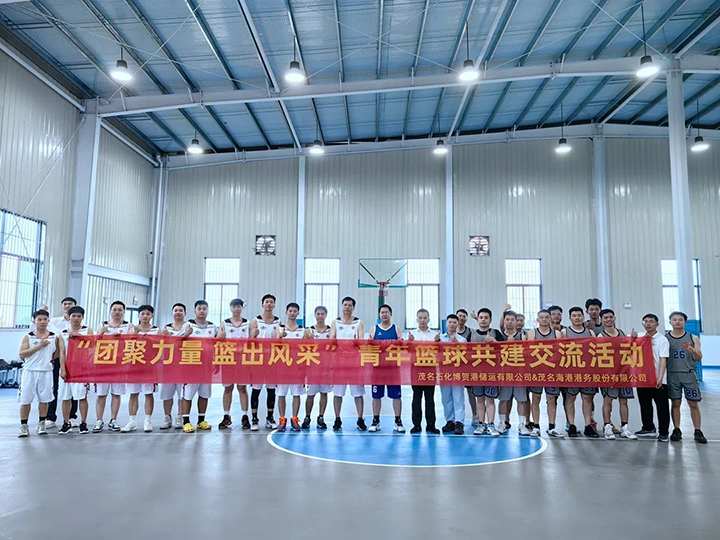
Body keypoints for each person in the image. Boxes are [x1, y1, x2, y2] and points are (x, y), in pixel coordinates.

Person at [18, 309, 61, 437]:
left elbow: (56, 353)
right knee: (25, 400)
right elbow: (22, 354)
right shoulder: (28, 336)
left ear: (48, 321)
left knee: (45, 399)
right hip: (30, 371)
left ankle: (42, 423)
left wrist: (48, 361)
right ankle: (24, 426)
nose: (42, 322)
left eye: (45, 319)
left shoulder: (54, 336)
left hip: (46, 372)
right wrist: (39, 346)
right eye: (39, 319)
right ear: (34, 321)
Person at [665, 311, 707, 444]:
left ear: (685, 322)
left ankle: (698, 430)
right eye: (674, 319)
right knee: (675, 403)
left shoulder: (693, 338)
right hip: (672, 374)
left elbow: (699, 358)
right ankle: (676, 429)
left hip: (689, 374)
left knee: (693, 403)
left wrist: (693, 351)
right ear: (670, 322)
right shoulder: (665, 338)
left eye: (680, 320)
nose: (677, 322)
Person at [598, 309, 637, 440]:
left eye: (611, 317)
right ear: (602, 320)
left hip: (624, 372)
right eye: (605, 318)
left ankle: (624, 427)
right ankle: (607, 426)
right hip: (609, 374)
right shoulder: (600, 337)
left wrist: (633, 339)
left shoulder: (622, 333)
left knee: (624, 400)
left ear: (615, 318)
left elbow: (629, 350)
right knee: (608, 400)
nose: (609, 320)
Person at [94, 301, 131, 433]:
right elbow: (94, 343)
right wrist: (102, 334)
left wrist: (121, 339)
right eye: (114, 309)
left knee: (116, 393)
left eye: (120, 310)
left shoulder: (128, 326)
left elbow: (132, 342)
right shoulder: (103, 325)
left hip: (119, 365)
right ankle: (99, 420)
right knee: (101, 394)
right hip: (103, 364)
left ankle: (113, 420)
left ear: (124, 312)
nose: (117, 312)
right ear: (110, 311)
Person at [330, 296, 366, 431]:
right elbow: (332, 339)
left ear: (353, 307)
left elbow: (361, 340)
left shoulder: (359, 322)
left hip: (354, 361)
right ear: (342, 306)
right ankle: (337, 419)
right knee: (338, 393)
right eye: (345, 305)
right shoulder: (335, 322)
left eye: (350, 305)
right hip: (340, 362)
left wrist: (355, 343)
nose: (347, 307)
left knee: (358, 393)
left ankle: (360, 419)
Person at [632, 314, 670, 441]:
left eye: (651, 321)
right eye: (646, 322)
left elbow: (663, 360)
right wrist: (632, 338)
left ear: (657, 324)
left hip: (658, 379)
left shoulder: (662, 340)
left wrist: (660, 378)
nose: (648, 324)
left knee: (662, 407)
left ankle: (663, 432)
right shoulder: (639, 337)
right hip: (643, 378)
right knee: (645, 405)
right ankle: (648, 427)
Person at [181, 300, 217, 433]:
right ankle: (186, 421)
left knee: (204, 394)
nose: (202, 311)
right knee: (188, 394)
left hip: (207, 367)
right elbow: (176, 342)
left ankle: (201, 420)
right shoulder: (188, 325)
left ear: (208, 311)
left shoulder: (213, 327)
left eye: (204, 309)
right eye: (199, 309)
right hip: (191, 366)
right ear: (194, 311)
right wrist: (185, 334)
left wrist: (216, 362)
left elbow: (216, 346)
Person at [526, 309, 563, 438]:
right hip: (536, 370)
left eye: (547, 317)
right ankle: (536, 426)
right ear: (538, 319)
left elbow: (559, 351)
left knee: (551, 399)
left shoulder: (557, 333)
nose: (544, 319)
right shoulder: (532, 332)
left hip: (552, 371)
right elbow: (529, 351)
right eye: (541, 317)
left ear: (550, 318)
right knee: (536, 398)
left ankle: (552, 426)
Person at [561, 306, 597, 438]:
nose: (577, 318)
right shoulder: (564, 332)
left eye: (579, 315)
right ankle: (571, 425)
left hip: (587, 371)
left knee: (587, 398)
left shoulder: (590, 333)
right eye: (574, 316)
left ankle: (588, 425)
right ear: (570, 318)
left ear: (583, 317)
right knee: (570, 398)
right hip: (571, 371)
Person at [368, 304, 405, 433]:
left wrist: (401, 342)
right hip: (378, 368)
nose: (384, 314)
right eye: (382, 312)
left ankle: (398, 421)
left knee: (396, 396)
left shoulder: (396, 329)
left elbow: (402, 346)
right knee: (376, 396)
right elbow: (369, 347)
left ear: (391, 314)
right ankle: (376, 421)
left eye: (386, 312)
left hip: (393, 368)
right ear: (379, 315)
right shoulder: (374, 329)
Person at [122, 305, 158, 433]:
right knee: (133, 393)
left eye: (148, 314)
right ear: (139, 315)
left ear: (151, 316)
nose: (145, 316)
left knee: (148, 393)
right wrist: (135, 333)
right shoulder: (132, 330)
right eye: (142, 314)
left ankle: (148, 421)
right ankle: (132, 421)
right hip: (134, 365)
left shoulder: (157, 330)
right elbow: (126, 345)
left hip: (149, 366)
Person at [58, 306, 92, 435]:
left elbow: (92, 345)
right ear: (69, 317)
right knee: (65, 397)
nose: (76, 318)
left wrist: (79, 336)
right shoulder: (63, 333)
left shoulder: (87, 330)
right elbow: (62, 352)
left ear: (82, 317)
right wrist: (62, 369)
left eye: (79, 316)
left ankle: (83, 423)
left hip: (82, 368)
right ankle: (66, 423)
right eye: (74, 316)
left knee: (82, 396)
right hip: (68, 368)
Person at [497, 310, 532, 436]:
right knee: (503, 399)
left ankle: (521, 424)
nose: (510, 322)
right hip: (504, 373)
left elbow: (527, 355)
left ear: (516, 321)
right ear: (504, 321)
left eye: (512, 319)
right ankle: (502, 423)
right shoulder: (499, 337)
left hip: (518, 373)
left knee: (521, 400)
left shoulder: (522, 337)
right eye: (507, 319)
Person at [218, 298, 251, 430]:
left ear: (242, 308)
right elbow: (218, 341)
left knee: (242, 388)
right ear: (231, 308)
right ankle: (226, 415)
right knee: (228, 388)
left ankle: (245, 416)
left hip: (243, 360)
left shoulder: (247, 323)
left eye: (239, 306)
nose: (237, 309)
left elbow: (252, 341)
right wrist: (219, 336)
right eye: (234, 307)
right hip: (228, 359)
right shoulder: (224, 323)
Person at [45, 296, 77, 430]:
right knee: (54, 386)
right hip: (57, 356)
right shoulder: (53, 321)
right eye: (65, 304)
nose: (67, 306)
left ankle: (72, 416)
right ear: (62, 306)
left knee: (73, 387)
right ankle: (50, 417)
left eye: (70, 304)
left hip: (74, 359)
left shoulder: (78, 322)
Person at [248, 294, 279, 431]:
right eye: (267, 302)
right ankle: (254, 419)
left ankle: (270, 418)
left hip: (272, 360)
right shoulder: (256, 321)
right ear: (262, 305)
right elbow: (249, 341)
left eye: (271, 302)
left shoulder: (278, 321)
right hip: (258, 359)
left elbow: (279, 341)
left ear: (274, 305)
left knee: (271, 389)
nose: (269, 304)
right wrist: (253, 335)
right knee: (256, 389)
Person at [469, 308, 501, 437]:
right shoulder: (472, 334)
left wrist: (494, 342)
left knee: (490, 399)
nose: (483, 320)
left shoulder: (496, 333)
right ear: (477, 319)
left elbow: (505, 350)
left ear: (490, 320)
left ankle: (491, 424)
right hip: (477, 372)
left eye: (486, 318)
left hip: (491, 372)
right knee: (480, 399)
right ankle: (481, 424)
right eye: (481, 317)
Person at [159, 303, 191, 430]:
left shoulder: (189, 327)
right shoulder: (166, 328)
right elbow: (163, 344)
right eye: (176, 310)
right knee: (167, 394)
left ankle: (180, 416)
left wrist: (173, 338)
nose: (178, 312)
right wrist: (168, 337)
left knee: (182, 394)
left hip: (183, 365)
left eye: (180, 310)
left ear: (185, 313)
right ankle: (167, 417)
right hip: (169, 365)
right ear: (172, 313)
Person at [275, 302, 306, 432]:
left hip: (297, 367)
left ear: (298, 313)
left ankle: (294, 418)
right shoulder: (279, 329)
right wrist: (279, 338)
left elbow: (306, 349)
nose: (292, 313)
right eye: (290, 311)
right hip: (282, 366)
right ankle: (282, 419)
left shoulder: (303, 330)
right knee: (281, 394)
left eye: (295, 311)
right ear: (286, 312)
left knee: (296, 394)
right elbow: (275, 346)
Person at [408, 309, 439, 434]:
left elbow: (439, 353)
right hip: (416, 370)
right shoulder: (412, 334)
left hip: (430, 370)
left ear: (429, 319)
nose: (422, 320)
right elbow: (407, 352)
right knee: (416, 398)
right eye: (420, 318)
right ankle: (416, 425)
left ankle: (431, 425)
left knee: (430, 399)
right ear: (417, 319)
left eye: (425, 318)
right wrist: (409, 342)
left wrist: (438, 343)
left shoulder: (435, 335)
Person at [303, 306, 331, 430]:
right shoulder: (309, 331)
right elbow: (303, 347)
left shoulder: (331, 331)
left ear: (326, 315)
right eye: (318, 314)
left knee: (324, 393)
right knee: (311, 394)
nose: (320, 316)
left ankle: (321, 417)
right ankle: (307, 417)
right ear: (315, 315)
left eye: (322, 314)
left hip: (326, 367)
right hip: (313, 367)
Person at [438, 314, 466, 435]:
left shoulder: (462, 340)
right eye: (450, 322)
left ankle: (459, 422)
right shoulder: (439, 338)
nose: (452, 324)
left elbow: (465, 355)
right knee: (446, 398)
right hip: (444, 372)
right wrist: (435, 342)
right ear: (446, 323)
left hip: (457, 372)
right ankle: (450, 421)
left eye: (455, 322)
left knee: (458, 397)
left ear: (458, 324)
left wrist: (456, 344)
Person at [455, 309, 477, 426]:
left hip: (467, 367)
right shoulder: (451, 332)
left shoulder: (471, 332)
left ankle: (475, 415)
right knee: (456, 395)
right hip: (454, 368)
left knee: (470, 393)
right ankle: (454, 419)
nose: (462, 318)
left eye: (464, 316)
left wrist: (477, 318)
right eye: (460, 316)